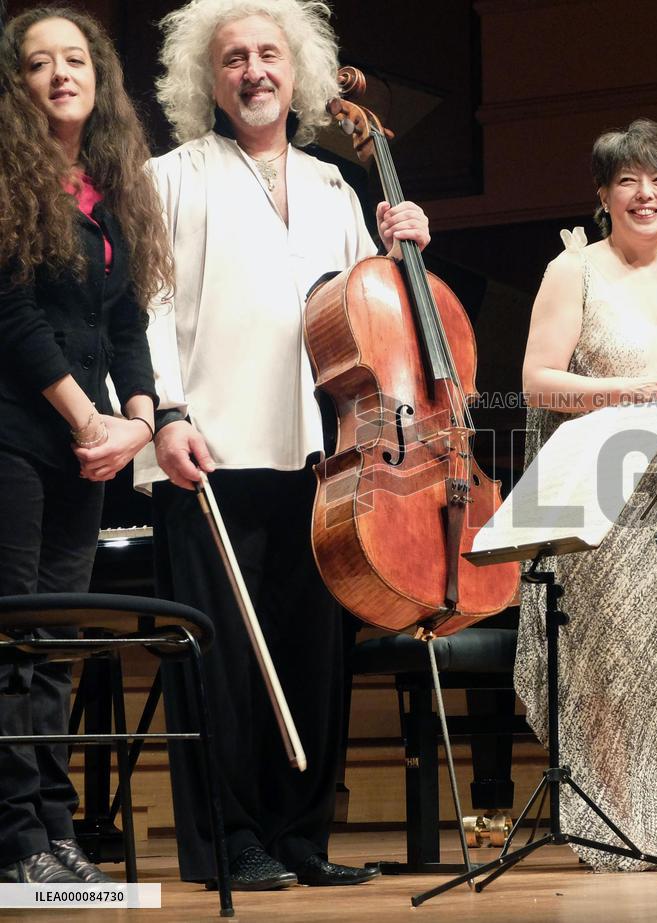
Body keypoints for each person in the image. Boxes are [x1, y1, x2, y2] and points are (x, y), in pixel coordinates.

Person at [134, 0, 430, 891]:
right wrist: (167, 415)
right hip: (209, 452)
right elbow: (144, 306)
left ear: (296, 72)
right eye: (234, 58)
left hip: (319, 457)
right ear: (206, 79)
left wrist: (403, 251)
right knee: (221, 664)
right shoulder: (169, 176)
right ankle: (228, 839)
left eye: (269, 54)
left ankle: (301, 834)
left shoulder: (338, 186)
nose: (254, 70)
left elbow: (368, 331)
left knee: (312, 656)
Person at [517, 118, 657, 871]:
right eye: (628, 181)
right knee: (611, 662)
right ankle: (620, 818)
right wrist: (627, 388)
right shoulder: (573, 270)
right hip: (602, 489)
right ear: (603, 196)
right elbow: (537, 380)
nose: (646, 194)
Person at [0, 6, 170, 884]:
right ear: (16, 85)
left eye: (76, 60)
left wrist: (137, 422)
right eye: (39, 63)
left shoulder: (110, 189)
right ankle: (17, 837)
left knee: (54, 646)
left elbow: (129, 325)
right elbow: (15, 322)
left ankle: (58, 830)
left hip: (90, 445)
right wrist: (86, 419)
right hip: (19, 439)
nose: (61, 74)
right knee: (13, 645)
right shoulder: (7, 180)